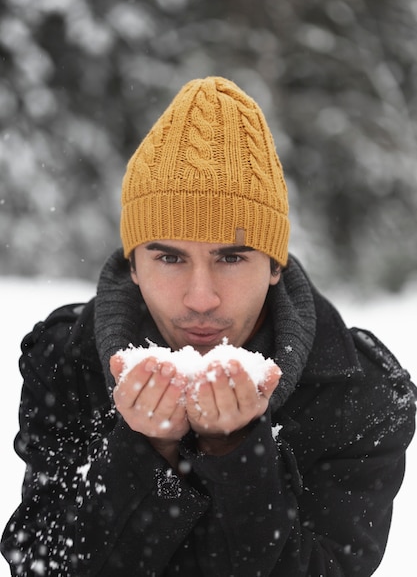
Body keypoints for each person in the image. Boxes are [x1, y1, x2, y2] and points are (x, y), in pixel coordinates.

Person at [1, 76, 416, 577]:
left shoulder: (360, 396)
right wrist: (146, 452)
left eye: (232, 256)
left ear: (275, 264)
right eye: (170, 257)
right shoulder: (68, 360)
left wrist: (236, 454)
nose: (202, 298)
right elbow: (43, 566)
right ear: (133, 265)